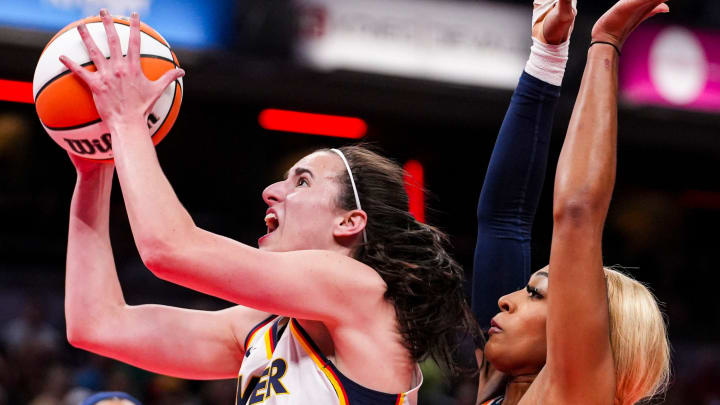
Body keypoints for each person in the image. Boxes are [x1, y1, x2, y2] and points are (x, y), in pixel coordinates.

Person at [61, 10, 479, 405]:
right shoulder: (261, 328)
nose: (271, 191)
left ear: (349, 222)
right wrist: (94, 169)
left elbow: (169, 249)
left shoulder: (360, 291)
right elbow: (95, 325)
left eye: (301, 181)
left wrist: (126, 122)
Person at [472, 0, 672, 404]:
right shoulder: (499, 389)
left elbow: (577, 215)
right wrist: (547, 55)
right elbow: (502, 219)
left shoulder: (576, 395)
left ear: (586, 329)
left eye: (535, 294)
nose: (504, 300)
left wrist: (606, 42)